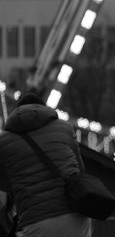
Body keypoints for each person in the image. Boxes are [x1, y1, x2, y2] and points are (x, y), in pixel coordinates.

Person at [0, 93, 92, 237]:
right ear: (43, 108)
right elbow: (80, 169)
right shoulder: (64, 127)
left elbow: (5, 184)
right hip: (76, 216)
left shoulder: (4, 141)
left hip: (36, 222)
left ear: (16, 112)